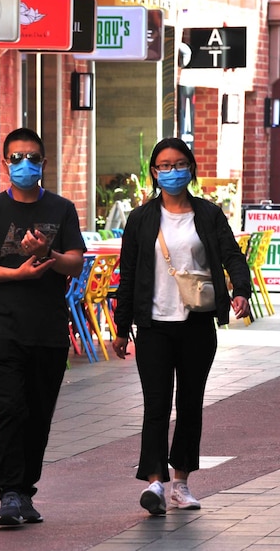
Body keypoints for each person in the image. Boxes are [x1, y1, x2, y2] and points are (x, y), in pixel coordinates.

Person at [111, 137, 251, 515]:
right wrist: (122, 327)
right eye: (163, 166)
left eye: (178, 164)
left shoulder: (207, 215)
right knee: (156, 405)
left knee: (190, 404)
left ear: (190, 168)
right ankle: (155, 482)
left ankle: (181, 482)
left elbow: (232, 255)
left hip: (196, 323)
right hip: (153, 325)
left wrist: (241, 290)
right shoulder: (141, 219)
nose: (171, 172)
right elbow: (128, 277)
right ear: (154, 173)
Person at [0, 127, 86, 526]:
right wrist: (15, 274)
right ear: (5, 163)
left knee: (38, 414)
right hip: (3, 328)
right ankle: (10, 494)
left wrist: (46, 252)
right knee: (11, 410)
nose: (25, 164)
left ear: (44, 163)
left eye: (32, 157)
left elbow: (75, 262)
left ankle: (26, 491)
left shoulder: (62, 209)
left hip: (49, 330)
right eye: (16, 158)